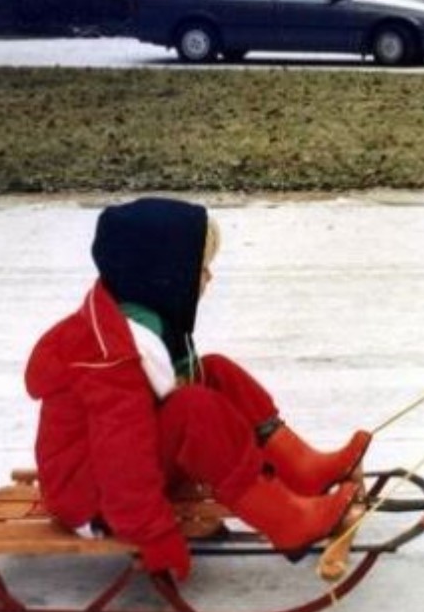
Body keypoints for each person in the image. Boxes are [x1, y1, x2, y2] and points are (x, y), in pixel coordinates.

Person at [25, 196, 372, 581]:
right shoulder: (111, 359)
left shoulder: (141, 322)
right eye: (200, 267)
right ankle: (287, 521)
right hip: (95, 498)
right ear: (162, 275)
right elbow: (121, 460)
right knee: (194, 409)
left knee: (215, 371)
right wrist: (155, 536)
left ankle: (303, 470)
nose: (208, 277)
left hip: (117, 478)